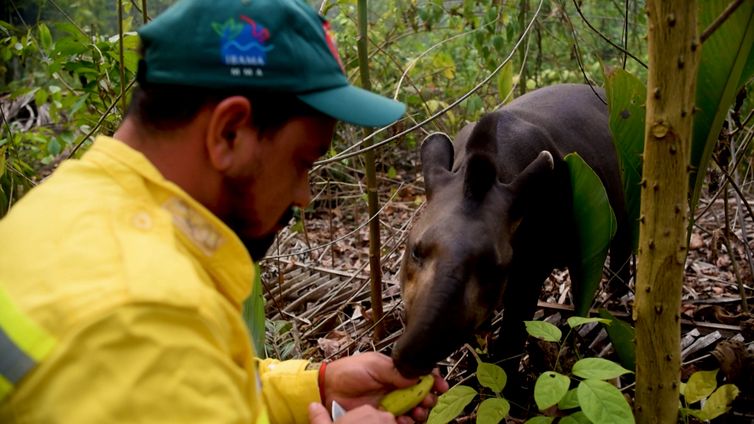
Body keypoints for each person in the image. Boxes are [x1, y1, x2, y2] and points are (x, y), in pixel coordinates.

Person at [0, 0, 448, 423]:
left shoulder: (64, 205)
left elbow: (180, 389)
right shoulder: (142, 312)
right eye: (303, 162)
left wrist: (318, 388)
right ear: (230, 132)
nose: (304, 195)